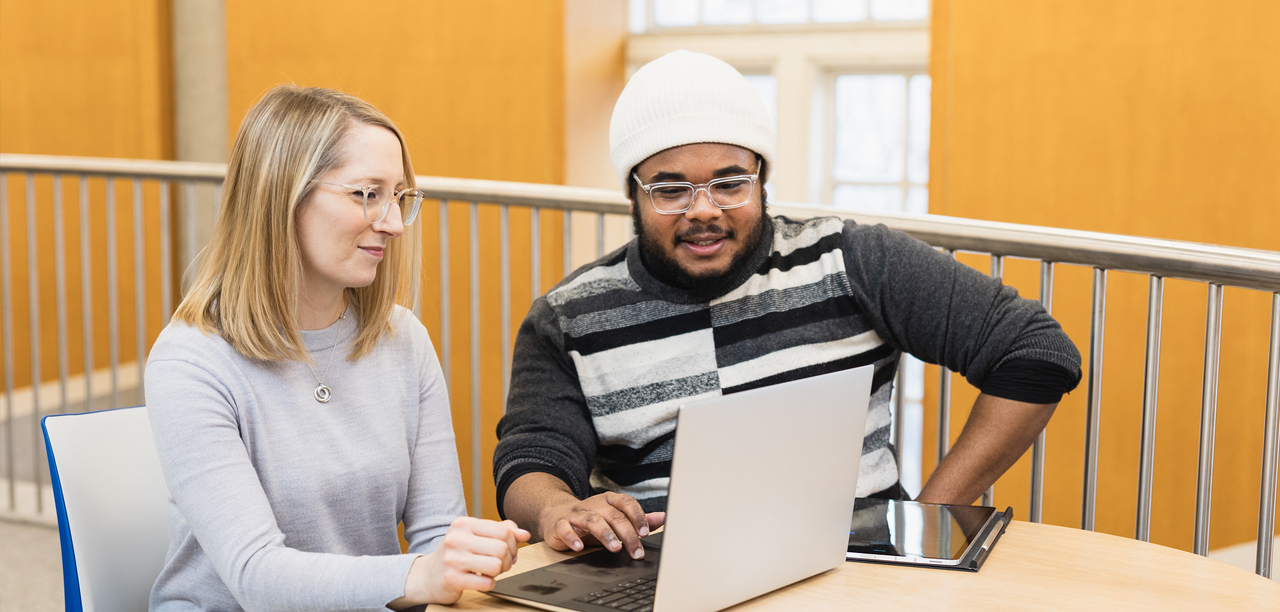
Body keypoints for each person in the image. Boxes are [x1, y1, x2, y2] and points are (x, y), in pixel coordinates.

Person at [493, 51, 1082, 562]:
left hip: (859, 569)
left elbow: (1036, 352)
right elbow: (531, 460)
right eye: (670, 190)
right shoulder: (567, 316)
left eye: (730, 182)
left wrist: (932, 515)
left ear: (763, 179)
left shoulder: (852, 261)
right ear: (632, 194)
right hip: (660, 577)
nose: (703, 210)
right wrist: (556, 512)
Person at [146, 85, 528, 611]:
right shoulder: (192, 361)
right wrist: (421, 575)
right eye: (367, 194)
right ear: (283, 195)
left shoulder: (403, 339)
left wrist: (460, 561)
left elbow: (437, 533)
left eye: (399, 196)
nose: (393, 223)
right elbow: (257, 577)